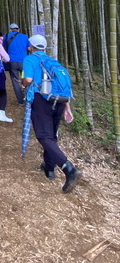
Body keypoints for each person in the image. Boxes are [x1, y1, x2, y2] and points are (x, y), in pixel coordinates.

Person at [21, 34, 82, 193]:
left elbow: (27, 79)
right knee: (52, 135)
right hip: (60, 102)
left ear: (31, 46)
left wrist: (22, 83)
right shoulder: (53, 61)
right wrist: (67, 106)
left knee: (43, 136)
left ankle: (68, 169)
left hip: (42, 101)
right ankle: (49, 167)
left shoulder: (30, 59)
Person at [3, 23, 30, 105]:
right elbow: (29, 48)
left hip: (12, 62)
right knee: (26, 79)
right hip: (23, 62)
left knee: (15, 80)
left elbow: (4, 48)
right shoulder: (25, 36)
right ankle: (27, 98)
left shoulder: (6, 36)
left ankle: (21, 100)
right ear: (18, 29)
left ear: (11, 29)